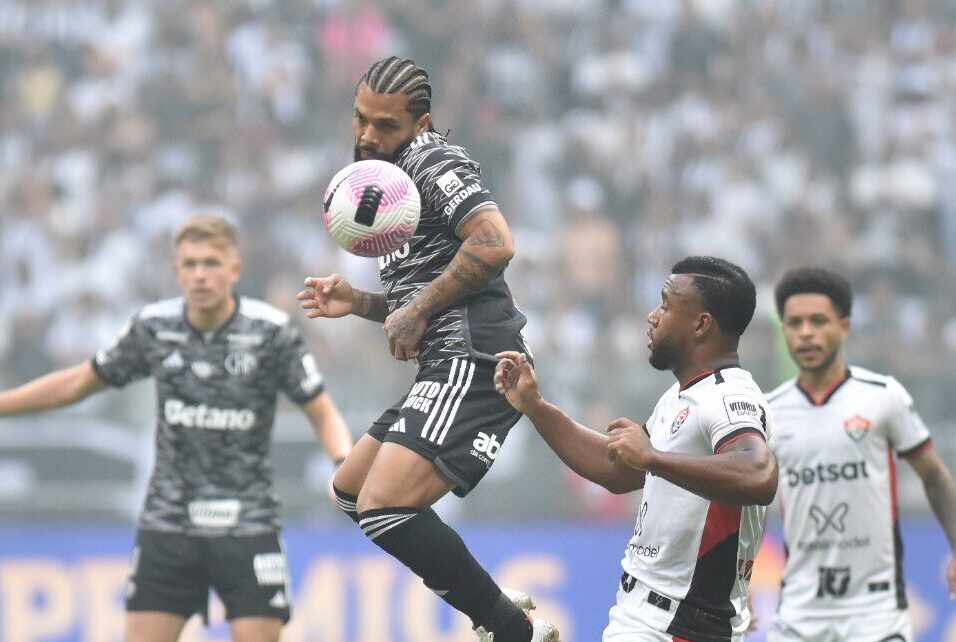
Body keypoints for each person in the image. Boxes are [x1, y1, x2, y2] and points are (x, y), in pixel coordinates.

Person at [297, 56, 557, 642]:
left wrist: (413, 310)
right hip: (443, 362)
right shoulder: (387, 181)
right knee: (351, 492)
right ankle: (491, 604)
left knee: (385, 507)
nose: (366, 136)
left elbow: (494, 243)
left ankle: (511, 631)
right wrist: (363, 303)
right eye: (361, 119)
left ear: (421, 124)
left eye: (385, 125)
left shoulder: (433, 159)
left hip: (478, 361)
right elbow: (429, 290)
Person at [0, 215, 353, 642]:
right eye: (190, 264)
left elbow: (322, 410)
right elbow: (78, 382)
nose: (200, 274)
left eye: (210, 263)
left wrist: (341, 464)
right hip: (168, 527)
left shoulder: (270, 332)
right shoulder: (154, 327)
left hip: (248, 525)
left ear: (234, 270)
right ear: (176, 271)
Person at [494, 256, 778, 642]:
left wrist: (653, 457)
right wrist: (535, 406)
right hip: (645, 614)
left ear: (701, 324)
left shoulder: (729, 395)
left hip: (680, 625)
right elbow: (618, 471)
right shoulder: (684, 394)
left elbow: (759, 474)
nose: (652, 316)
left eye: (665, 304)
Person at [762, 267, 956, 642]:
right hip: (799, 612)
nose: (806, 333)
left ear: (845, 327)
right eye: (795, 323)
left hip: (875, 612)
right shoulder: (769, 412)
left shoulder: (883, 397)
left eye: (818, 321)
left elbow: (933, 475)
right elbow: (748, 507)